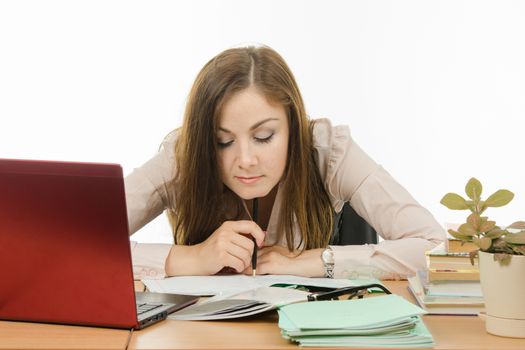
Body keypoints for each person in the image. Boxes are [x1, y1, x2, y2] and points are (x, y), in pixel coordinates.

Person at [126, 45, 445, 280]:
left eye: (264, 136)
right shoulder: (183, 157)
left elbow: (435, 246)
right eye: (222, 141)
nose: (246, 160)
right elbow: (78, 244)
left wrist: (314, 261)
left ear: (293, 126)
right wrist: (189, 259)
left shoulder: (327, 149)